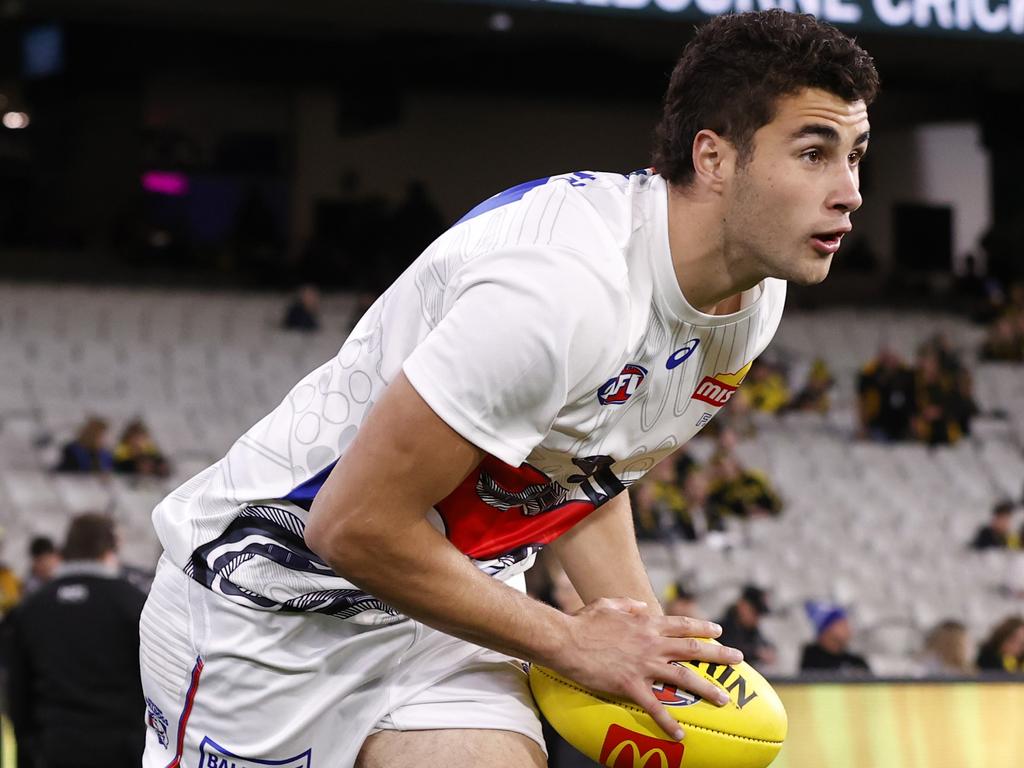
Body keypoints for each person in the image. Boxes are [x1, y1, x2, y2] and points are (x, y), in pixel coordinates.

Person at [139, 11, 878, 768]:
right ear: (715, 157)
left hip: (448, 614)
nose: (849, 191)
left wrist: (645, 657)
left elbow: (585, 471)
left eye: (854, 155)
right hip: (268, 606)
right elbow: (352, 526)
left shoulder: (752, 300)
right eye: (814, 153)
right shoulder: (559, 291)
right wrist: (571, 641)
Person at [2, 513, 147, 768]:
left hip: (54, 750)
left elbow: (18, 696)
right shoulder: (134, 604)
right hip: (122, 752)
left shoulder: (33, 608)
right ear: (110, 550)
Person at [799, 601, 871, 675]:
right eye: (841, 624)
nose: (848, 628)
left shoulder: (856, 662)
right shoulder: (811, 659)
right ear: (827, 629)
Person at [717, 584, 777, 667]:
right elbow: (731, 649)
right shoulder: (720, 630)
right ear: (743, 605)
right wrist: (756, 653)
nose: (757, 618)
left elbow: (765, 645)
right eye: (754, 612)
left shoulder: (751, 630)